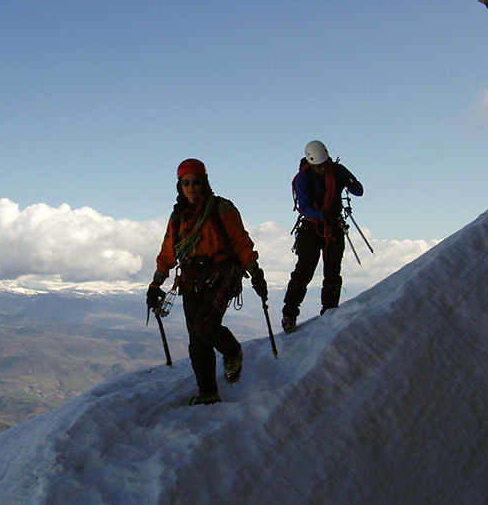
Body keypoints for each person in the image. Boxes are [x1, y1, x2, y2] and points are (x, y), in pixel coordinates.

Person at [147, 158, 268, 406]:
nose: (191, 187)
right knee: (197, 340)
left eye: (195, 182)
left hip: (222, 276)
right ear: (179, 186)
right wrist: (155, 284)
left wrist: (255, 273)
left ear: (204, 183)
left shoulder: (222, 209)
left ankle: (232, 350)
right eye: (186, 183)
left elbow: (241, 243)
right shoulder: (178, 216)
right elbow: (169, 253)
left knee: (204, 326)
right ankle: (208, 393)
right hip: (191, 281)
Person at [281, 140, 363, 333]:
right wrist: (324, 214)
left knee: (332, 270)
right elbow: (305, 206)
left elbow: (358, 191)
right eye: (320, 167)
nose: (325, 169)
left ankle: (330, 312)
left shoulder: (337, 170)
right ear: (312, 164)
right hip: (313, 227)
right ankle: (289, 314)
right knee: (304, 271)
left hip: (331, 225)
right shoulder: (303, 178)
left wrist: (348, 179)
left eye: (326, 164)